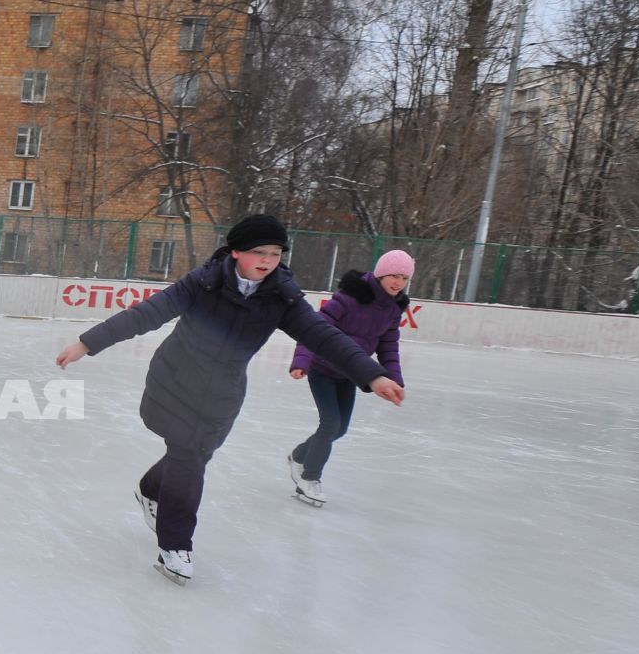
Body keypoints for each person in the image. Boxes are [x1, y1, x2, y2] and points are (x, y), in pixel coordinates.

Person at [54, 214, 404, 585]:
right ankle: (175, 545)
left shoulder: (282, 297)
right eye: (258, 252)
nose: (267, 260)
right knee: (188, 456)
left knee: (193, 455)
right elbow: (148, 314)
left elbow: (324, 336)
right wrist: (86, 343)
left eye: (275, 253)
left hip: (222, 392)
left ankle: (149, 490)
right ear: (236, 251)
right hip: (175, 381)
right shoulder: (202, 283)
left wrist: (372, 373)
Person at [286, 250, 413, 507]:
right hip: (323, 368)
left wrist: (395, 379)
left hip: (352, 374)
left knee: (340, 429)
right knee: (330, 424)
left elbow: (388, 347)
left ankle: (299, 456)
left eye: (403, 277)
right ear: (380, 274)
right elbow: (315, 328)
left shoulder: (392, 310)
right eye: (393, 275)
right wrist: (302, 360)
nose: (398, 282)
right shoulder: (349, 298)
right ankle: (309, 478)